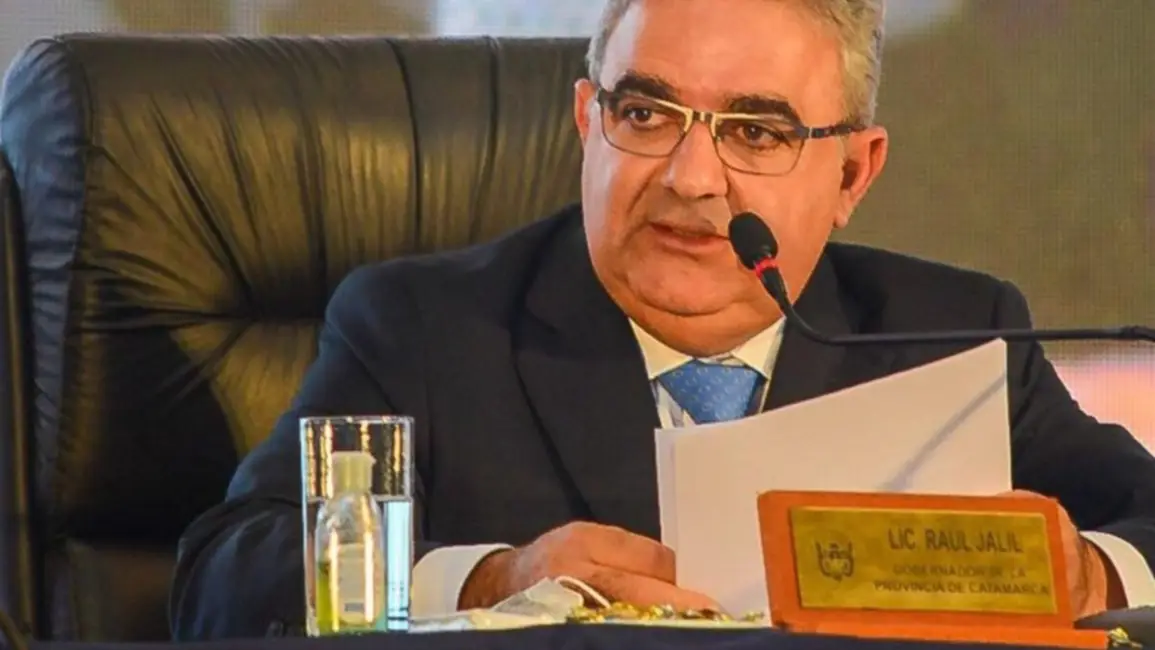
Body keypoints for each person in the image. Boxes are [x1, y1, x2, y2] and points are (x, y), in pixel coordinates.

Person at [169, 0, 1155, 638]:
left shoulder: (950, 335)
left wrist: (1092, 576)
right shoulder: (424, 329)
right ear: (586, 123)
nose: (690, 178)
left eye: (756, 132)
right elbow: (224, 580)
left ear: (853, 173)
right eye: (645, 115)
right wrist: (490, 581)